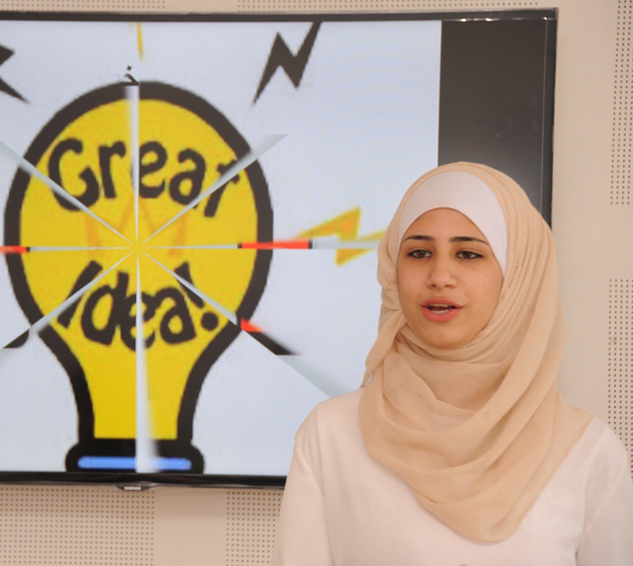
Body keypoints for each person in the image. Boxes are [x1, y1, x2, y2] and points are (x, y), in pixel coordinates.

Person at [271, 162, 633, 565]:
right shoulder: (331, 435)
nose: (440, 275)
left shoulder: (588, 453)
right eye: (419, 252)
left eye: (468, 253)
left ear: (516, 276)